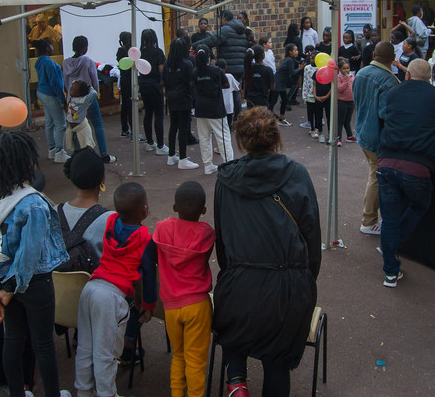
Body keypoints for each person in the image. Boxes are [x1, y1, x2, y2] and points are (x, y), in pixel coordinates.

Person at [213, 107, 321, 397]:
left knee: (233, 322)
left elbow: (221, 240)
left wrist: (234, 273)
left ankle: (236, 379)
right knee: (276, 362)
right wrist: (305, 280)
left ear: (241, 140)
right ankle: (238, 380)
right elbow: (311, 238)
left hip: (239, 285)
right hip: (287, 290)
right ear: (276, 138)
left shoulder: (226, 178)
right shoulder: (297, 173)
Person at [0, 131, 69, 397]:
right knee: (44, 344)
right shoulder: (33, 204)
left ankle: (17, 392)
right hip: (32, 283)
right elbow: (31, 252)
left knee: (12, 340)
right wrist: (13, 287)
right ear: (27, 164)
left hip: (1, 284)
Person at [378, 59, 435, 288]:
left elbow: (386, 116)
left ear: (407, 75)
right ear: (429, 76)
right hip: (418, 166)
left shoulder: (394, 93)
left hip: (387, 162)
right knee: (419, 205)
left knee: (389, 219)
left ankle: (390, 271)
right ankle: (393, 247)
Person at [74, 182, 156, 397]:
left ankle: (83, 391)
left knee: (85, 347)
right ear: (144, 209)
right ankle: (106, 393)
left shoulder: (111, 223)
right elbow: (148, 275)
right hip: (111, 296)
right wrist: (148, 305)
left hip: (90, 288)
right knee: (106, 354)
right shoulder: (145, 239)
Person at [152, 182, 215, 397]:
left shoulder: (161, 229)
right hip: (197, 304)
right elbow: (204, 259)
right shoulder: (207, 233)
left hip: (171, 306)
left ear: (174, 207)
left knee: (178, 356)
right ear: (203, 210)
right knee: (196, 361)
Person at [353, 41, 399, 236]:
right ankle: (369, 219)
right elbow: (386, 114)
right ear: (393, 59)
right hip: (378, 137)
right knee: (376, 177)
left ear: (373, 55)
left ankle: (370, 218)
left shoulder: (361, 73)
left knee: (375, 175)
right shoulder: (389, 81)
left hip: (363, 131)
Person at [63, 35, 116, 164]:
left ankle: (78, 155)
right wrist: (95, 94)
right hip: (88, 98)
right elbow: (94, 80)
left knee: (76, 126)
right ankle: (104, 154)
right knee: (97, 124)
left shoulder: (65, 63)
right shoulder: (88, 61)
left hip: (73, 100)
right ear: (85, 48)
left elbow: (65, 81)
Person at [57, 146, 110, 271]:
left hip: (57, 288)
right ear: (103, 178)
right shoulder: (110, 220)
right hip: (96, 286)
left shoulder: (53, 213)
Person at [195, 49, 233, 175]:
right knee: (223, 136)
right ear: (207, 58)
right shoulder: (215, 70)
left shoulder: (195, 72)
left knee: (204, 137)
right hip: (216, 108)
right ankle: (229, 165)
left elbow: (192, 85)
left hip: (200, 109)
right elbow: (226, 84)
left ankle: (207, 165)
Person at [163, 38, 199, 170]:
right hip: (184, 99)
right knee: (183, 128)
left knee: (173, 126)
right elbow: (191, 83)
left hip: (171, 99)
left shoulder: (167, 64)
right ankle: (183, 158)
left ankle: (171, 155)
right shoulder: (187, 64)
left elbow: (164, 82)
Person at [34, 38, 69, 162]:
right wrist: (63, 100)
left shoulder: (40, 61)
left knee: (49, 123)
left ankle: (52, 150)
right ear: (47, 48)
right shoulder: (48, 63)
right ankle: (59, 152)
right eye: (51, 45)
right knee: (61, 124)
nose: (53, 47)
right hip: (50, 95)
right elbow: (55, 83)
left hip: (42, 92)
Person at [135, 29, 168, 155]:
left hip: (143, 85)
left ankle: (149, 143)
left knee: (148, 113)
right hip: (155, 85)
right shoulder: (158, 52)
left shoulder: (139, 53)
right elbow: (161, 70)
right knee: (158, 115)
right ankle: (160, 145)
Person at [194, 10, 250, 80]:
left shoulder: (225, 30)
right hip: (241, 68)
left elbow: (211, 41)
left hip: (228, 68)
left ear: (224, 18)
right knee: (237, 88)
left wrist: (193, 46)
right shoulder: (242, 30)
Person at [271, 43, 303, 126]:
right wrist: (300, 68)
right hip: (278, 83)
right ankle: (269, 118)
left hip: (281, 83)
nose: (297, 52)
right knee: (273, 101)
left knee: (284, 100)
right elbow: (292, 73)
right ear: (290, 52)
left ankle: (281, 118)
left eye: (297, 50)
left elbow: (299, 62)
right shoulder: (289, 60)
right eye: (295, 50)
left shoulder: (290, 59)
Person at [64, 81, 97, 156]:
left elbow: (94, 94)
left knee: (83, 147)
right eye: (71, 88)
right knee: (76, 147)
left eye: (74, 89)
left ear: (80, 93)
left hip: (80, 129)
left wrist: (90, 86)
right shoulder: (72, 97)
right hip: (73, 129)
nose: (71, 90)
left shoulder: (83, 100)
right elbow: (73, 82)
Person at [243, 45, 275, 110]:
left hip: (251, 100)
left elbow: (245, 85)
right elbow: (272, 88)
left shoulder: (249, 68)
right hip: (263, 100)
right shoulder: (268, 70)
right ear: (263, 55)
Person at [115, 32, 133, 138]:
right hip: (127, 80)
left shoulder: (122, 51)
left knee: (125, 105)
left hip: (125, 80)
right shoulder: (124, 51)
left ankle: (125, 129)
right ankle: (131, 130)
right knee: (129, 105)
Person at [335, 59, 355, 146]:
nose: (346, 70)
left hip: (351, 101)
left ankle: (349, 135)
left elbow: (354, 87)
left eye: (348, 68)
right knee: (340, 120)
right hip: (342, 101)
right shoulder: (339, 77)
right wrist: (346, 79)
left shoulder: (352, 76)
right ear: (340, 69)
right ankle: (338, 137)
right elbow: (340, 89)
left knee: (348, 120)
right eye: (344, 68)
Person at [299, 48, 319, 135]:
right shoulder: (307, 68)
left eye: (314, 58)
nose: (312, 59)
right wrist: (304, 94)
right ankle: (312, 128)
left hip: (318, 94)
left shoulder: (320, 68)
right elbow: (305, 81)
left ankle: (318, 128)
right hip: (309, 94)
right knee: (310, 112)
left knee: (318, 112)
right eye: (311, 57)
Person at [217, 59, 240, 129]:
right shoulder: (229, 76)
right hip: (228, 106)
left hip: (218, 106)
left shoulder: (214, 76)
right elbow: (237, 88)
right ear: (226, 68)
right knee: (228, 125)